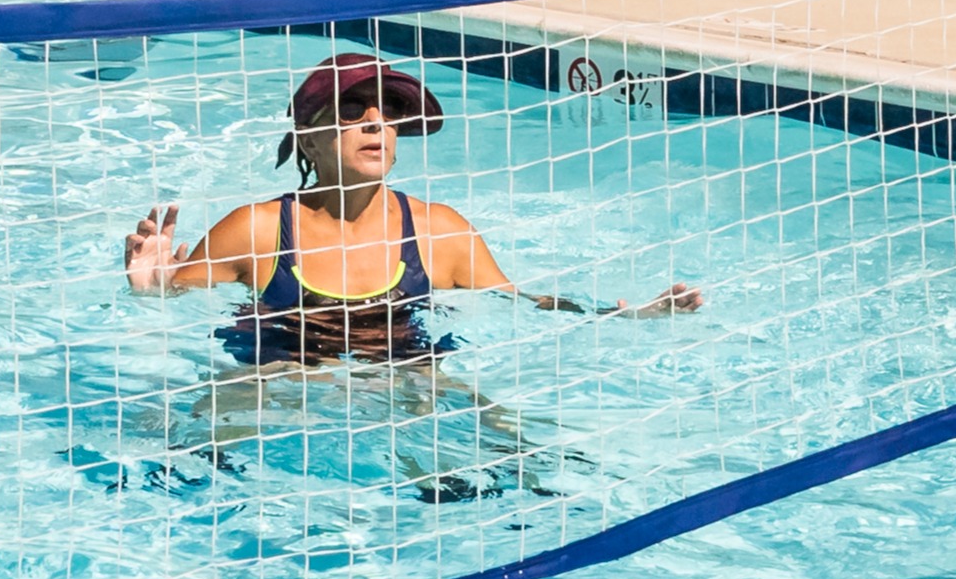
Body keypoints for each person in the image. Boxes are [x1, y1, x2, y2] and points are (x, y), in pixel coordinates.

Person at [121, 55, 699, 369]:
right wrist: (149, 291)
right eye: (353, 109)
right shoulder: (258, 229)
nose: (377, 122)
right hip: (279, 374)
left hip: (405, 376)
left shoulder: (437, 230)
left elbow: (524, 303)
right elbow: (171, 304)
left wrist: (626, 315)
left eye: (389, 112)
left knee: (520, 448)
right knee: (189, 441)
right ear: (310, 139)